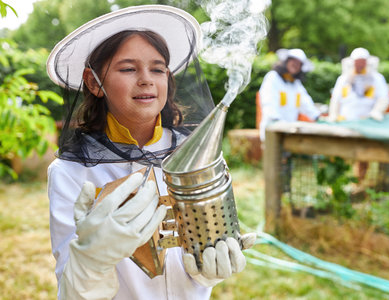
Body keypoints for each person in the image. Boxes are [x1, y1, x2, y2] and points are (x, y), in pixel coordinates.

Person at [46, 5, 255, 300]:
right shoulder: (69, 171)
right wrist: (89, 262)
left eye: (157, 69)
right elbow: (71, 285)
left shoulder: (192, 155)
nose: (146, 79)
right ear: (94, 82)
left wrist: (202, 273)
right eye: (128, 68)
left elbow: (208, 233)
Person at [258, 48, 321, 142]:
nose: (296, 64)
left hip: (289, 133)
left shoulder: (296, 84)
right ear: (287, 61)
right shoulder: (273, 77)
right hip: (272, 131)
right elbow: (268, 102)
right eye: (294, 60)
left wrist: (317, 117)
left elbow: (306, 103)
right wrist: (277, 121)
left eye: (299, 63)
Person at [328, 47, 389, 122]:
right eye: (357, 62)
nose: (360, 65)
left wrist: (376, 112)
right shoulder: (343, 79)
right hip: (346, 120)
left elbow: (384, 98)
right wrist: (333, 115)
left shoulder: (377, 78)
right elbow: (335, 99)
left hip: (368, 120)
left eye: (362, 62)